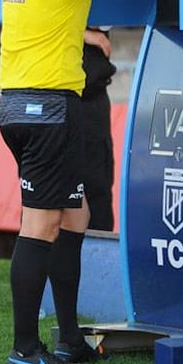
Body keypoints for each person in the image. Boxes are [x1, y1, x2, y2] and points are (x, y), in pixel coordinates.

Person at [0, 0, 175, 364]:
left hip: (26, 105)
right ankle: (24, 348)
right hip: (47, 109)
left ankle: (69, 338)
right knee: (41, 224)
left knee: (73, 217)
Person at [80, 28, 116, 232]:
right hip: (51, 94)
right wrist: (79, 32)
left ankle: (98, 260)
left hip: (89, 96)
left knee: (96, 189)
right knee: (46, 195)